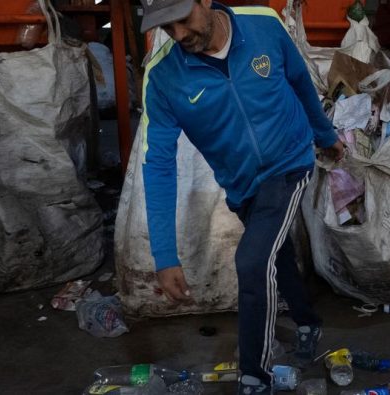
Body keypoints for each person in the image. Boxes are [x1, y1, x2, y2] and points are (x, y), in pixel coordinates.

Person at [138, 0, 345, 393]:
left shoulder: (263, 26)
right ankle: (308, 323)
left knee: (252, 260)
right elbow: (159, 165)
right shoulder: (164, 78)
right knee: (275, 255)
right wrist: (164, 256)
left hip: (290, 161)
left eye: (183, 19)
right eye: (167, 28)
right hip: (242, 185)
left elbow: (300, 80)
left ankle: (255, 376)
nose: (179, 35)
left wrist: (325, 135)